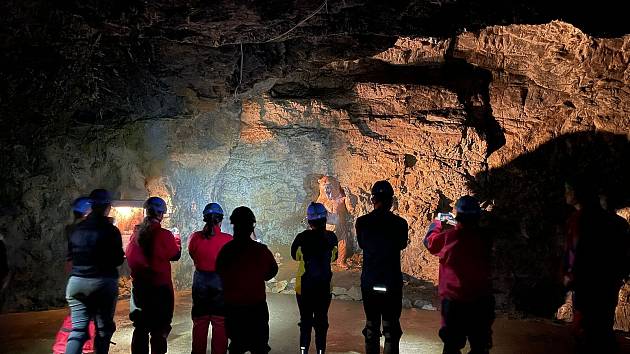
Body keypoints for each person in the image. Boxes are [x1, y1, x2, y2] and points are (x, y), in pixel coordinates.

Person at [563, 180, 629, 354]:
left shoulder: (578, 220)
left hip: (587, 284)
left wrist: (568, 278)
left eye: (568, 190)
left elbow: (574, 254)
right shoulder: (619, 223)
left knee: (585, 330)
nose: (566, 194)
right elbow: (624, 255)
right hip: (609, 282)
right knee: (603, 327)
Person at [424, 195, 494, 354]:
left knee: (451, 345)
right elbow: (475, 231)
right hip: (481, 302)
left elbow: (429, 242)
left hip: (455, 303)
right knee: (480, 347)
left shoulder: (449, 238)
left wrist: (437, 223)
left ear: (458, 215)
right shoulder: (485, 238)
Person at [65, 189, 124, 354]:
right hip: (103, 283)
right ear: (108, 206)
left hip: (76, 283)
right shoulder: (111, 231)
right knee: (103, 330)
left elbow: (71, 257)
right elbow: (118, 259)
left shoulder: (76, 229)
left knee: (77, 330)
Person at [355, 180, 409, 354]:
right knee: (391, 328)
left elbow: (362, 244)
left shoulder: (362, 222)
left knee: (371, 326)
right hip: (391, 281)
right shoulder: (401, 223)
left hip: (370, 280)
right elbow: (401, 244)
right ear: (391, 201)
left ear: (373, 200)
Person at [216, 206, 278, 354]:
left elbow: (219, 272)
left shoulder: (226, 251)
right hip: (256, 308)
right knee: (259, 347)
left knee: (237, 346)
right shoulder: (261, 250)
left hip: (233, 308)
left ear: (234, 226)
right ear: (252, 226)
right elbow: (271, 272)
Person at [126, 197, 181, 354]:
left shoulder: (135, 233)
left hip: (139, 288)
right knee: (158, 331)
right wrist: (177, 240)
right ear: (161, 214)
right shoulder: (164, 235)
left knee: (140, 328)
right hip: (160, 289)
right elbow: (175, 255)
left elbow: (130, 256)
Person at [291, 202, 338, 354]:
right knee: (321, 322)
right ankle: (320, 351)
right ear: (325, 219)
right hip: (324, 286)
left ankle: (304, 351)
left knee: (305, 321)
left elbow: (296, 256)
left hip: (304, 286)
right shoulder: (331, 238)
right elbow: (334, 257)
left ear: (309, 220)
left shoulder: (301, 238)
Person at [188, 203, 233, 354]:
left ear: (204, 219)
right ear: (220, 220)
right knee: (220, 323)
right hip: (220, 284)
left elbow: (193, 255)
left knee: (200, 322)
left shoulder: (194, 238)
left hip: (200, 283)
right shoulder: (228, 240)